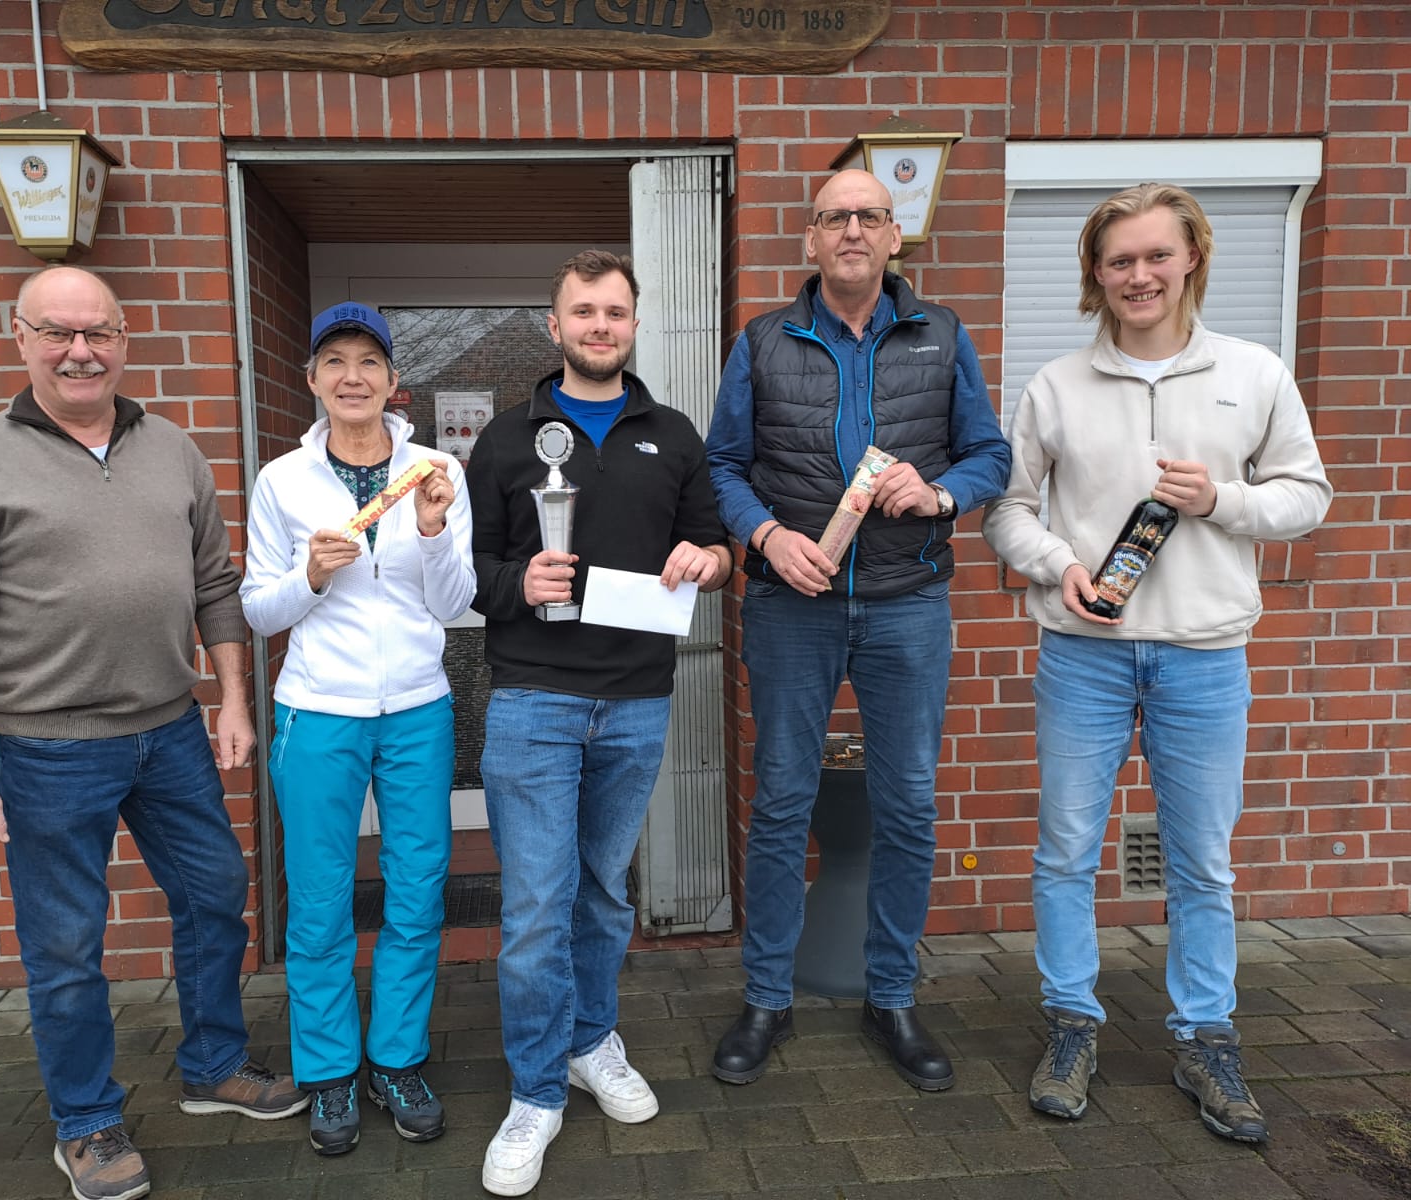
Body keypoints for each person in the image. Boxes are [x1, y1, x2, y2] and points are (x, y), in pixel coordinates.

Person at [0, 266, 306, 1200]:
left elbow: (215, 586)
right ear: (21, 337)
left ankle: (213, 1066)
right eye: (58, 332)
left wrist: (232, 700)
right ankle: (85, 1121)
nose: (80, 351)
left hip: (170, 731)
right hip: (48, 748)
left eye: (99, 333)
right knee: (65, 945)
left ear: (123, 340)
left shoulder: (172, 448)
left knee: (216, 894)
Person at [981, 183, 1331, 1144]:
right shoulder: (1056, 385)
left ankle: (1205, 1037)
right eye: (1120, 260)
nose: (1139, 275)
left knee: (1202, 862)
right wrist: (1058, 564)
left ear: (1192, 259)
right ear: (1096, 273)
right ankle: (1071, 1024)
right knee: (1065, 850)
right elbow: (1009, 509)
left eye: (1156, 256)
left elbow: (1307, 496)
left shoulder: (1254, 373)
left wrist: (1222, 500)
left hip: (1205, 657)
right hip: (1082, 656)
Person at [706, 169, 1011, 1091]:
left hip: (906, 602)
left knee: (909, 804)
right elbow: (724, 466)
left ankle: (892, 996)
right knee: (781, 801)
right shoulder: (763, 341)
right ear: (810, 239)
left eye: (868, 216)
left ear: (892, 236)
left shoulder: (941, 333)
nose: (851, 230)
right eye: (834, 217)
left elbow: (990, 455)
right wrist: (765, 536)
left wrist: (941, 492)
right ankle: (767, 999)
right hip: (790, 606)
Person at [465, 250, 731, 1196]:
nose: (600, 326)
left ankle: (589, 1042)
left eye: (615, 312)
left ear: (634, 324)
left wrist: (707, 561)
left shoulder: (674, 433)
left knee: (605, 894)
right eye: (583, 312)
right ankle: (535, 1092)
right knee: (537, 908)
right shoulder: (506, 440)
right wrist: (518, 581)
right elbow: (469, 573)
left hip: (637, 701)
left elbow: (716, 545)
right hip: (533, 699)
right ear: (555, 326)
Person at [240, 302, 476, 1156]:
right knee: (318, 899)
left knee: (417, 890)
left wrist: (433, 530)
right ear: (312, 380)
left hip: (416, 708)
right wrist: (307, 575)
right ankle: (331, 1069)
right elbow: (259, 609)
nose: (352, 376)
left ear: (392, 380)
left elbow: (454, 603)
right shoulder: (283, 481)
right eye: (335, 361)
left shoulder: (435, 471)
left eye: (368, 361)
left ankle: (398, 1059)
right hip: (318, 710)